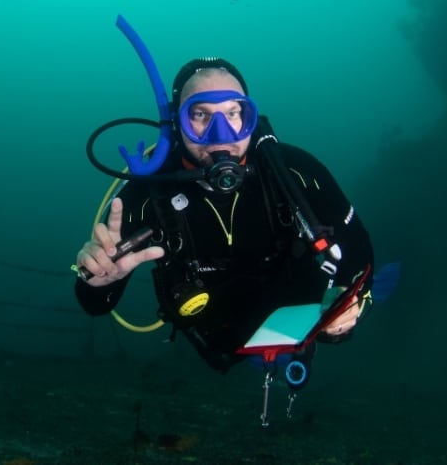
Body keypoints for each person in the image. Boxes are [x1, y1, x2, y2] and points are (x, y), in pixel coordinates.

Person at [73, 57, 374, 373]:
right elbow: (94, 305)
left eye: (233, 113)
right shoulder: (147, 194)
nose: (221, 135)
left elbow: (359, 248)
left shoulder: (296, 172)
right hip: (215, 343)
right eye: (200, 115)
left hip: (299, 327)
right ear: (175, 123)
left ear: (250, 117)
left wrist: (345, 304)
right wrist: (100, 283)